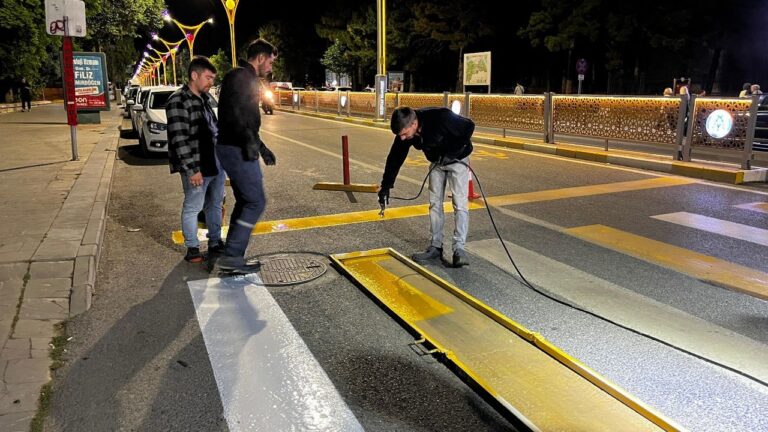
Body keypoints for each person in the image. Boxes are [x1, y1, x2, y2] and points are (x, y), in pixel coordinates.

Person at [378, 106, 475, 267]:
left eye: (403, 134)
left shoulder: (441, 117)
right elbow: (395, 157)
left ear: (414, 124)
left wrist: (451, 153)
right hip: (437, 162)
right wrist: (386, 186)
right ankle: (436, 246)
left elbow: (469, 126)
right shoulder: (406, 132)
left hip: (457, 160)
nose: (402, 138)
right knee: (435, 204)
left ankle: (459, 249)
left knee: (459, 204)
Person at [214, 38, 278, 273]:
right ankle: (232, 256)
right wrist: (252, 146)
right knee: (255, 201)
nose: (271, 67)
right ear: (260, 58)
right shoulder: (242, 78)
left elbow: (246, 119)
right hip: (236, 148)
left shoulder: (241, 77)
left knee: (246, 201)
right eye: (270, 61)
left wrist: (262, 148)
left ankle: (232, 252)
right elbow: (239, 118)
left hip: (235, 146)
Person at [166, 56, 226, 263]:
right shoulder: (178, 100)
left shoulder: (205, 99)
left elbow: (213, 131)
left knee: (215, 204)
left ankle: (215, 242)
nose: (211, 82)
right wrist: (192, 170)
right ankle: (192, 247)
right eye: (208, 78)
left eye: (213, 79)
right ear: (194, 75)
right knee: (193, 207)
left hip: (216, 164)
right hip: (198, 166)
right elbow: (179, 139)